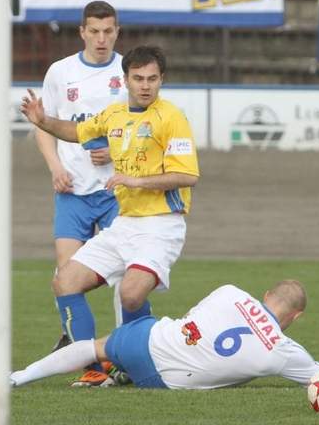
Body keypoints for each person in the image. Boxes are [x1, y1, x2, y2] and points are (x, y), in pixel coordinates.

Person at [21, 45, 200, 386]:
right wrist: (43, 120)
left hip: (161, 224)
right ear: (126, 80)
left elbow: (188, 176)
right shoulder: (114, 114)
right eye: (138, 78)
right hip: (125, 224)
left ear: (162, 80)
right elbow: (77, 132)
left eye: (152, 79)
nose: (145, 86)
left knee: (130, 294)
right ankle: (96, 368)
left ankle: (141, 362)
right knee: (65, 281)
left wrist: (135, 180)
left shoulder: (172, 118)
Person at [10, 280, 319, 389]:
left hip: (152, 338)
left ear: (267, 294)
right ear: (297, 316)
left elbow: (192, 318)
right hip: (163, 380)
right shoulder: (284, 352)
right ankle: (124, 374)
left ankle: (19, 377)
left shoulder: (231, 291)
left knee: (92, 346)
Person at [35, 1, 128, 355]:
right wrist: (55, 167)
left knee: (124, 276)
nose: (101, 39)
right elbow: (45, 124)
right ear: (82, 32)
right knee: (65, 276)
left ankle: (127, 348)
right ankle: (81, 347)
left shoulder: (130, 72)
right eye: (94, 31)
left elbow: (147, 129)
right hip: (72, 190)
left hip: (117, 190)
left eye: (108, 31)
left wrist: (116, 153)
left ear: (117, 31)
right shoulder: (60, 72)